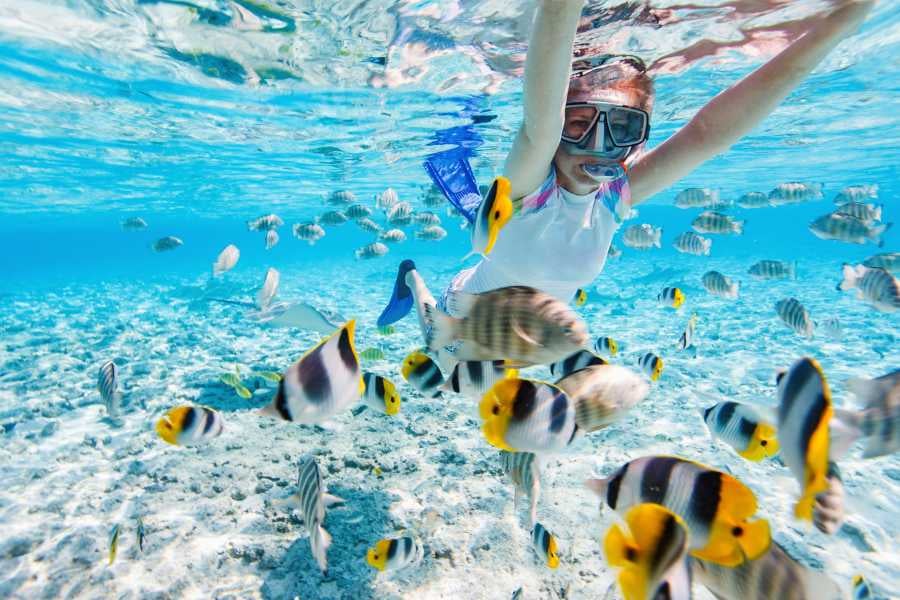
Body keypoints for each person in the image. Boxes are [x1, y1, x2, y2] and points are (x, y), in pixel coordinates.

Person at [378, 0, 875, 366]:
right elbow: (539, 124)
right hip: (461, 318)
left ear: (638, 138)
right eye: (578, 124)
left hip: (530, 345)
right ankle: (410, 277)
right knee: (433, 346)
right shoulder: (532, 184)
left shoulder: (616, 196)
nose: (595, 145)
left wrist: (834, 28)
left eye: (621, 129)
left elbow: (707, 134)